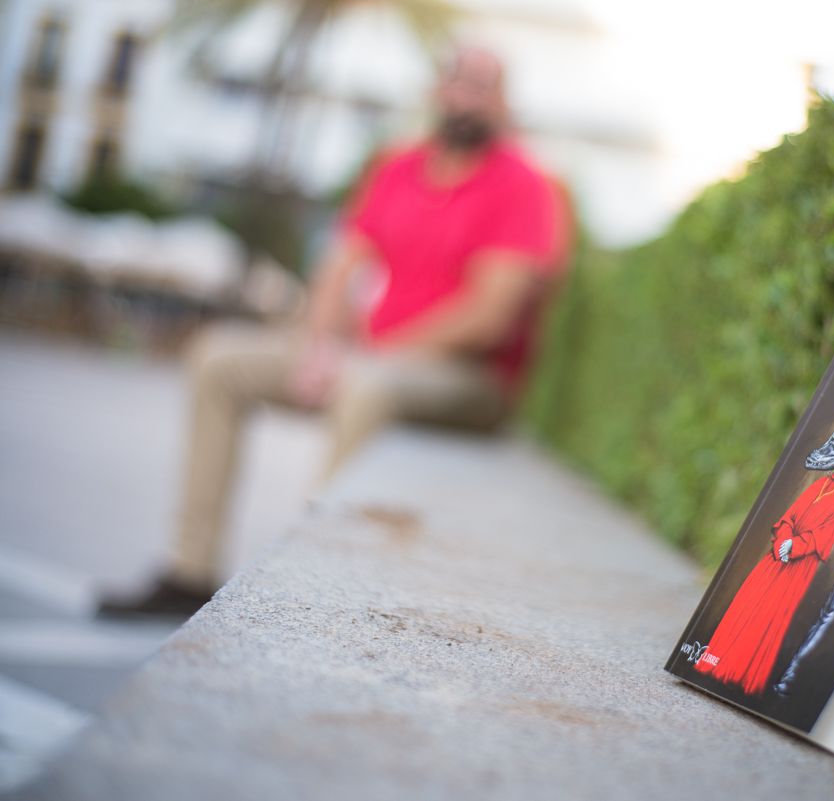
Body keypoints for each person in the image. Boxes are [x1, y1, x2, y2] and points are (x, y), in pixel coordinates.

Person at [98, 46, 570, 618]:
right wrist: (321, 345)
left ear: (502, 101)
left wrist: (368, 355)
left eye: (483, 86)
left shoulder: (524, 185)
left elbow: (489, 314)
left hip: (471, 381)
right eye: (458, 81)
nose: (467, 96)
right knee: (218, 358)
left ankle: (308, 594)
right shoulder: (396, 166)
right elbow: (339, 266)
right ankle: (188, 570)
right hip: (368, 358)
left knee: (364, 386)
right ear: (436, 91)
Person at [693, 431, 834, 696]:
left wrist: (795, 546)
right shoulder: (821, 484)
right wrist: (783, 539)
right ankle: (715, 663)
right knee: (748, 602)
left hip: (797, 567)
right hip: (776, 557)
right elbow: (790, 516)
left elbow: (824, 536)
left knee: (769, 613)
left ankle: (738, 675)